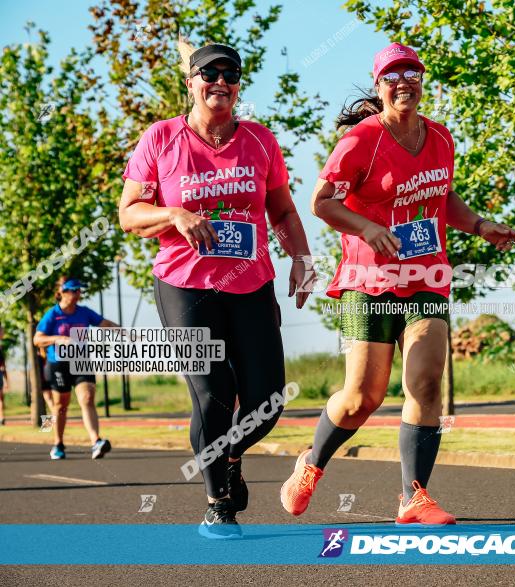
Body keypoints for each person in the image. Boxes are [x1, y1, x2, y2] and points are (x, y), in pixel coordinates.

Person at [281, 43, 515, 525]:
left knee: (426, 383)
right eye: (392, 76)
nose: (402, 82)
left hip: (427, 277)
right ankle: (311, 463)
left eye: (410, 72)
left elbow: (442, 195)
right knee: (360, 399)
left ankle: (414, 496)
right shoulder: (360, 141)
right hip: (368, 283)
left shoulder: (441, 138)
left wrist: (479, 225)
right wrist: (367, 228)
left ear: (422, 79)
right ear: (379, 86)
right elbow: (321, 201)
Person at [118, 40, 313, 539]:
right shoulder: (160, 138)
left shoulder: (261, 140)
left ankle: (229, 454)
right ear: (191, 82)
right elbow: (129, 214)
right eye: (209, 74)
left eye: (230, 74)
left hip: (251, 283)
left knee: (268, 398)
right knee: (212, 395)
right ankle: (217, 505)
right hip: (185, 286)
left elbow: (284, 211)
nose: (220, 82)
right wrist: (173, 214)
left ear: (238, 86)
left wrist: (302, 259)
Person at [34, 278, 118, 460]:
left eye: (79, 290)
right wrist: (58, 338)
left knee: (87, 398)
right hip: (58, 363)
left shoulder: (84, 312)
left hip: (81, 360)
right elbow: (37, 339)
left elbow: (105, 324)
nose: (77, 294)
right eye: (73, 290)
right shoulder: (53, 314)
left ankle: (96, 441)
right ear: (62, 292)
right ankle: (58, 443)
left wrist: (127, 333)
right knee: (60, 405)